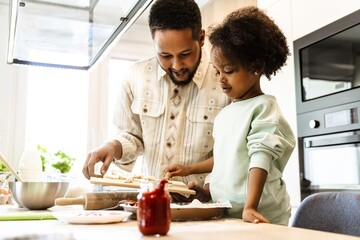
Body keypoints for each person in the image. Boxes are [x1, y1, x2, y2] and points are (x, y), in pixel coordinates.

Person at [165, 6, 296, 226]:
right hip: (231, 214)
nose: (221, 79)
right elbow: (227, 158)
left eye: (229, 70)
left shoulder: (264, 107)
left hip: (261, 216)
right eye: (217, 72)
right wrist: (205, 189)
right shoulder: (225, 114)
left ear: (256, 67)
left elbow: (259, 156)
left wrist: (250, 206)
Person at [82, 0, 230, 188]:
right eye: (165, 55)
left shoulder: (225, 82)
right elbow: (132, 137)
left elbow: (231, 155)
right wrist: (113, 146)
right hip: (150, 203)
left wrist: (208, 190)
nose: (176, 66)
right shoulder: (135, 76)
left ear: (201, 39)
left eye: (185, 54)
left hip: (207, 207)